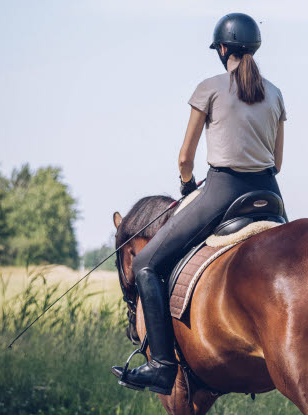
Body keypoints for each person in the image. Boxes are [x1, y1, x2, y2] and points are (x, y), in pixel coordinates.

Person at [112, 12, 287, 395]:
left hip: (222, 191)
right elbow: (277, 162)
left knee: (144, 264)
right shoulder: (275, 93)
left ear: (221, 49)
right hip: (270, 196)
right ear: (253, 48)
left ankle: (161, 365)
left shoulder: (208, 87)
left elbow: (184, 158)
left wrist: (188, 185)